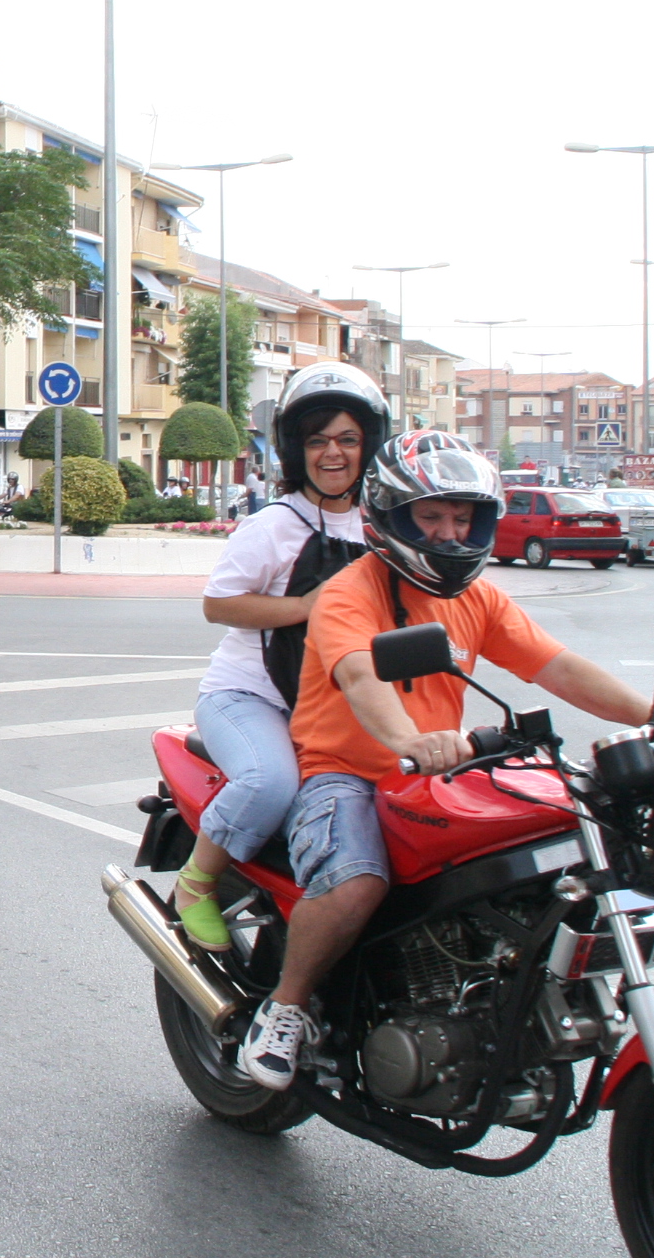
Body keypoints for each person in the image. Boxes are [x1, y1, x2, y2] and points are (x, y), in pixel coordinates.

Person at [238, 431, 654, 1090]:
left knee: (553, 850)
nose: (450, 532)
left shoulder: (478, 599)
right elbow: (360, 675)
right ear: (391, 518)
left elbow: (560, 668)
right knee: (356, 882)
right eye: (431, 517)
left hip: (439, 778)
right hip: (346, 773)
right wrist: (408, 740)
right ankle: (285, 1008)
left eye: (462, 518)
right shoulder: (351, 592)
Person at [169, 363, 388, 951]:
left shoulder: (380, 527)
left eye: (348, 439)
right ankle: (196, 881)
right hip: (249, 696)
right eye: (318, 440)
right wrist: (306, 606)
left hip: (335, 705)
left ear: (369, 445)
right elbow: (219, 604)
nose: (333, 453)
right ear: (297, 450)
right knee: (270, 783)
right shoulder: (274, 524)